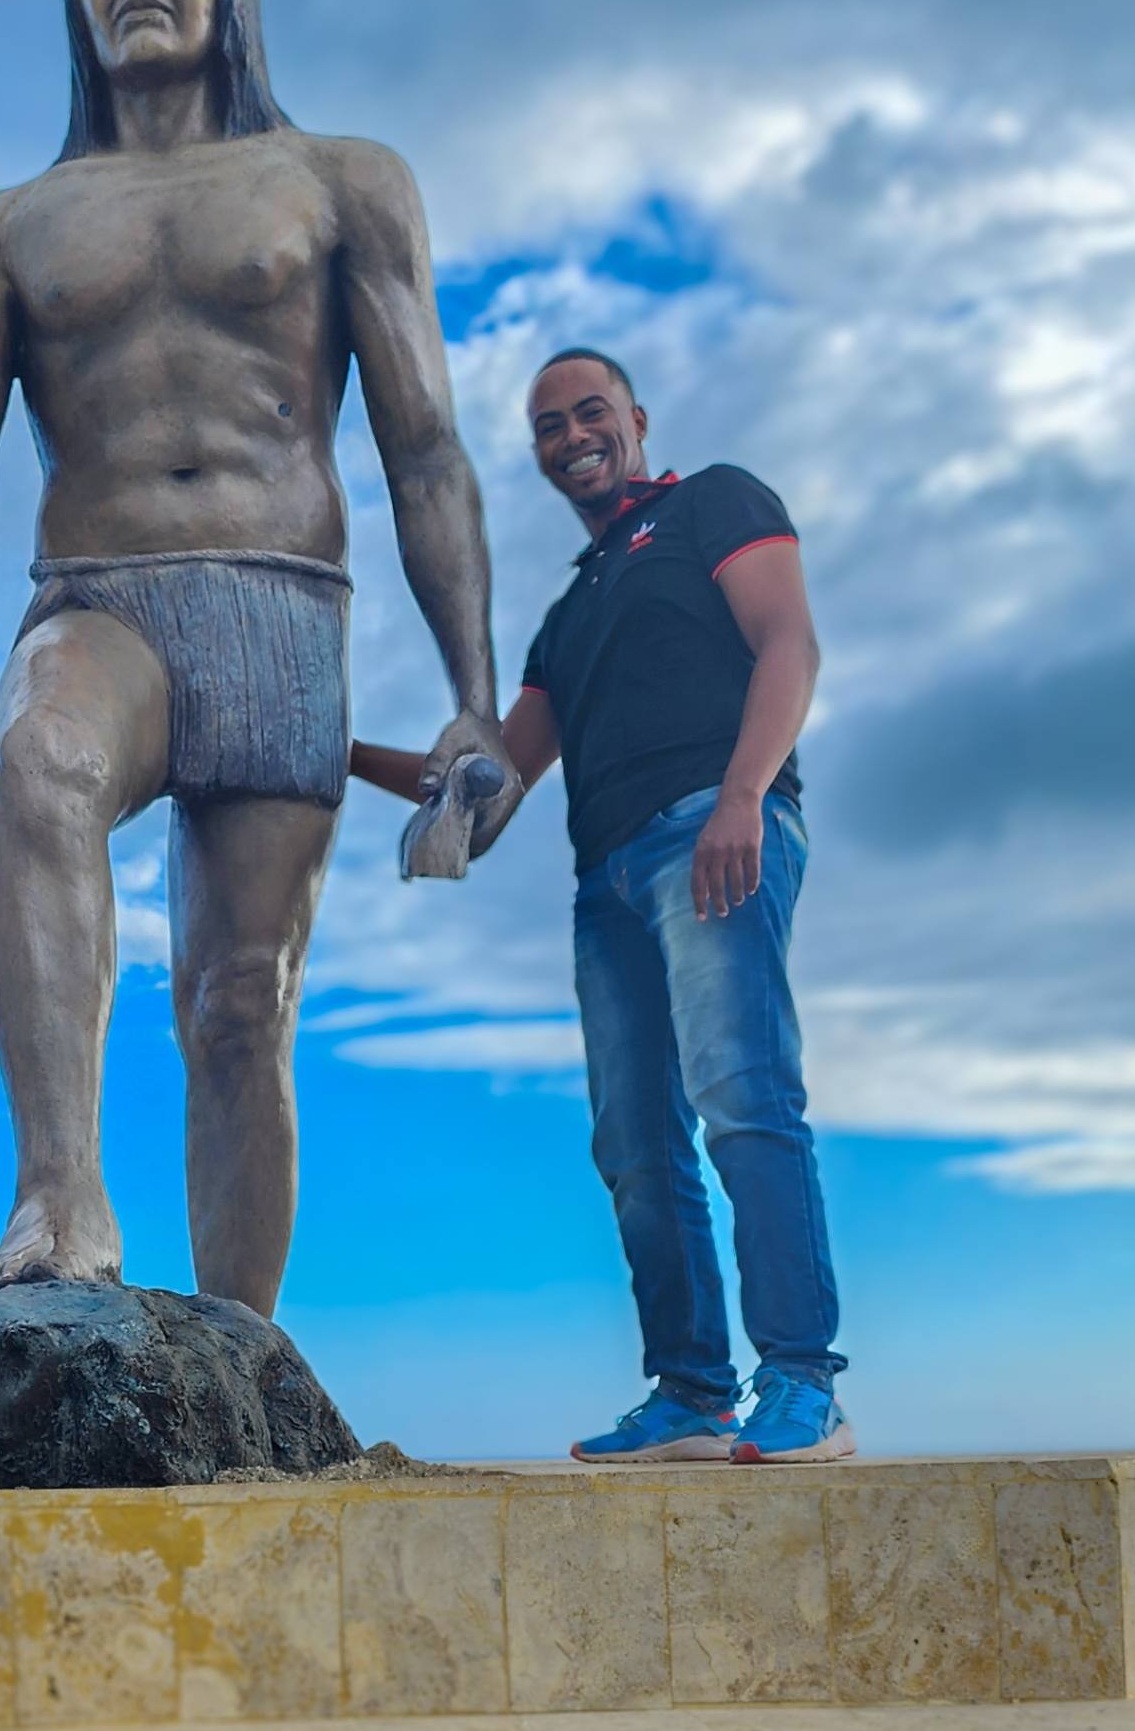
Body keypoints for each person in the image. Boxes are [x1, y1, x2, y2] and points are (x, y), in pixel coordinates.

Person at [0, 0, 513, 1313]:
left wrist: (473, 704)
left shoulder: (339, 181)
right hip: (101, 594)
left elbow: (425, 451)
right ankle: (59, 1206)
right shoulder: (2, 224)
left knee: (241, 1005)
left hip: (281, 597)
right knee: (39, 763)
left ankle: (241, 1349)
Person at [351, 347, 849, 1461]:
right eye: (546, 426)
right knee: (633, 1140)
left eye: (589, 413)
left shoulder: (713, 501)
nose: (572, 436)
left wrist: (741, 797)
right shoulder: (568, 616)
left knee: (743, 1096)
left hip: (713, 829)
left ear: (634, 416)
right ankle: (690, 1395)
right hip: (606, 879)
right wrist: (330, 751)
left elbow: (789, 642)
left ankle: (806, 1383)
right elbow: (488, 789)